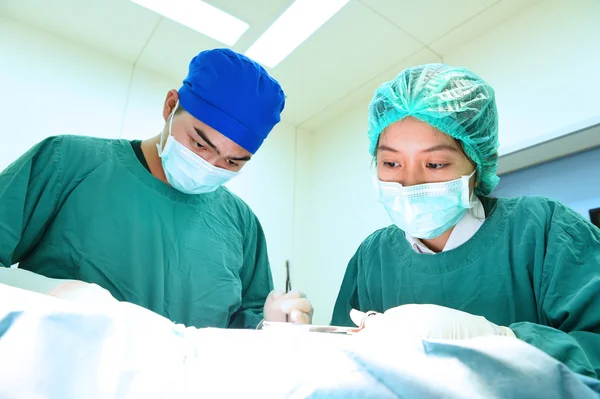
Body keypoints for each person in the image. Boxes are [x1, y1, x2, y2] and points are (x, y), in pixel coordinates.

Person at [0, 48, 313, 328]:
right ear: (170, 105)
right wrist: (47, 296)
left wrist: (270, 329)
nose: (211, 164)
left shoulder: (242, 224)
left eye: (233, 162)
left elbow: (245, 326)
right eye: (201, 144)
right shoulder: (67, 161)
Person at [331, 64, 600, 378]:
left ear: (477, 163)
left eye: (434, 163)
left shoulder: (544, 230)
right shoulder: (372, 256)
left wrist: (506, 343)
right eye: (391, 162)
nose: (409, 183)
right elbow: (343, 365)